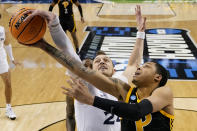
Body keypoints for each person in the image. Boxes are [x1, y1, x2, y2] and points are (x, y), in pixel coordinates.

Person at [22, 5, 145, 131]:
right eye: (97, 61)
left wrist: (141, 32)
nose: (102, 62)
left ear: (114, 70)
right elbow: (69, 54)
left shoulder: (120, 81)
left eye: (106, 60)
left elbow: (133, 64)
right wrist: (55, 25)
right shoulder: (86, 84)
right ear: (91, 69)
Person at [0, 13, 20, 120]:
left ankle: (8, 108)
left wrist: (12, 59)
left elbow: (7, 45)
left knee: (8, 82)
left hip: (1, 60)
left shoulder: (3, 31)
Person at [66, 58, 93, 131]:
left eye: (91, 66)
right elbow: (69, 116)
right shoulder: (73, 91)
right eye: (85, 66)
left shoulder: (104, 88)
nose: (88, 68)